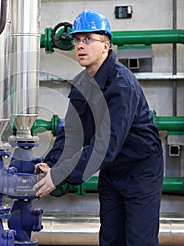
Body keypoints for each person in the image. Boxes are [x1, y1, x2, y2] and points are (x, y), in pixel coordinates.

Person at [33, 9, 164, 246]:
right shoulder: (82, 82)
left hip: (140, 171)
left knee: (139, 241)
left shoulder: (121, 86)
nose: (80, 46)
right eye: (77, 40)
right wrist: (52, 163)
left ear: (106, 45)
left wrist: (61, 175)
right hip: (112, 171)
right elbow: (71, 132)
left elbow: (106, 144)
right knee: (110, 239)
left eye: (88, 39)